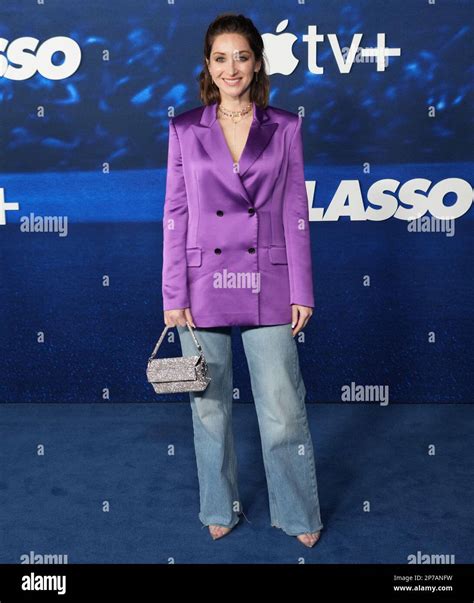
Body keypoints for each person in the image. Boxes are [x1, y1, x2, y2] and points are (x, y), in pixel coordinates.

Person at [162, 12, 323, 548]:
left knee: (281, 406)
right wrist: (172, 294)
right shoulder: (184, 129)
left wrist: (302, 289)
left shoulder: (285, 126)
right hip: (201, 280)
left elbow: (295, 210)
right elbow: (175, 214)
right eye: (220, 57)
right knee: (208, 407)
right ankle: (218, 506)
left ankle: (298, 513)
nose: (232, 68)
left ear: (257, 63)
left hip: (268, 279)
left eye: (242, 56)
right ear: (208, 65)